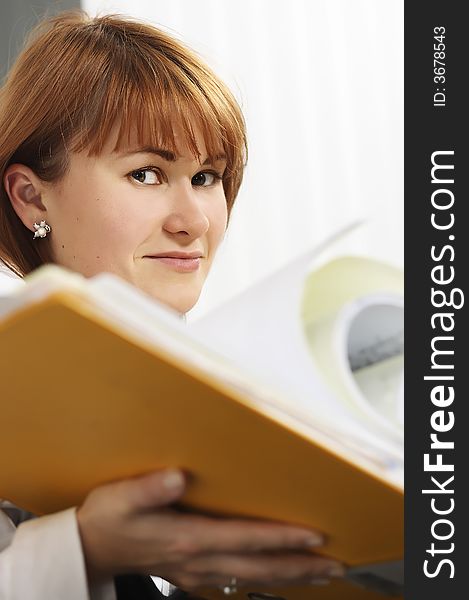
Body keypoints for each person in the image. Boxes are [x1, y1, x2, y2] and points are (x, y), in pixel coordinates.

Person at [0, 10, 345, 600]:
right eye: (146, 174)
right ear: (33, 198)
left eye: (207, 177)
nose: (191, 223)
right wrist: (87, 550)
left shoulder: (266, 399)